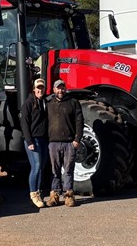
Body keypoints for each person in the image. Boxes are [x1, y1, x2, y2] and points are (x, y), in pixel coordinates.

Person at [46, 79, 84, 207]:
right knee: (54, 170)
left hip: (69, 143)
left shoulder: (73, 103)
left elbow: (79, 122)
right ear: (54, 90)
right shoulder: (49, 103)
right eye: (58, 88)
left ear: (65, 89)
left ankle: (69, 196)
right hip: (53, 143)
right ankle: (54, 196)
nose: (60, 90)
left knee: (68, 170)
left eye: (62, 88)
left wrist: (77, 140)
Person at [19, 78, 49, 208]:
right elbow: (24, 123)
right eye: (38, 88)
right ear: (34, 89)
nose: (40, 90)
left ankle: (39, 191)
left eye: (42, 88)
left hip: (43, 139)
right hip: (33, 140)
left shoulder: (44, 102)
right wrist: (29, 140)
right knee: (36, 166)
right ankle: (33, 194)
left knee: (41, 166)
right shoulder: (28, 103)